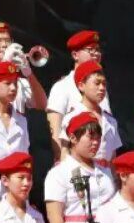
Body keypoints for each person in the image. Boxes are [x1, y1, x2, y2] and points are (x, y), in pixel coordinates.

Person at [47, 30, 111, 161]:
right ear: (75, 55)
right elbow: (55, 131)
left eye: (98, 50)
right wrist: (62, 163)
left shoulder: (101, 87)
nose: (96, 54)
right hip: (75, 164)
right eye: (90, 50)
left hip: (103, 165)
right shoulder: (62, 87)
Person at [0, 21, 47, 114]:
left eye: (7, 40)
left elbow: (42, 105)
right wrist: (3, 63)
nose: (4, 45)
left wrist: (29, 73)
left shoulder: (19, 81)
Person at [59, 61, 122, 165]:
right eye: (97, 83)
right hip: (81, 173)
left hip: (105, 173)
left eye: (104, 84)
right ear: (81, 86)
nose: (102, 88)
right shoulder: (72, 117)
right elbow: (65, 151)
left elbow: (112, 156)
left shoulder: (110, 120)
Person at [0, 61, 34, 161]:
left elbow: (24, 156)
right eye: (7, 83)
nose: (13, 88)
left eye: (15, 83)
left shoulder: (21, 120)